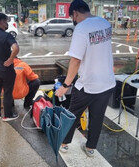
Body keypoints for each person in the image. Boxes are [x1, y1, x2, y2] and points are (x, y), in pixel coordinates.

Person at [55, 0, 116, 157]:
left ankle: (63, 144)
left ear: (75, 13)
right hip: (107, 82)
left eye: (72, 18)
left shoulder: (81, 29)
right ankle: (90, 149)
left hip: (88, 84)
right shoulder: (104, 22)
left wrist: (65, 85)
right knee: (97, 117)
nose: (72, 21)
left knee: (73, 115)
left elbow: (75, 60)